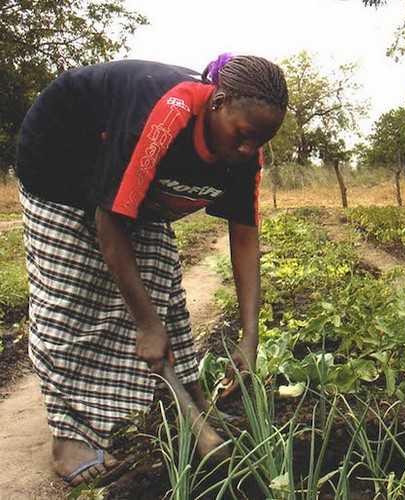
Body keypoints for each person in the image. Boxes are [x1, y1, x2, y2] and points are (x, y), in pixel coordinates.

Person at [14, 54, 288, 486]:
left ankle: (189, 404)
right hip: (61, 161)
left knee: (161, 284)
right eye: (242, 135)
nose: (248, 149)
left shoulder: (245, 154)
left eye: (261, 141)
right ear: (217, 103)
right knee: (75, 293)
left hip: (131, 175)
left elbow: (244, 237)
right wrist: (145, 325)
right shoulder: (164, 115)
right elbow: (109, 222)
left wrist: (249, 336)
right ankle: (71, 436)